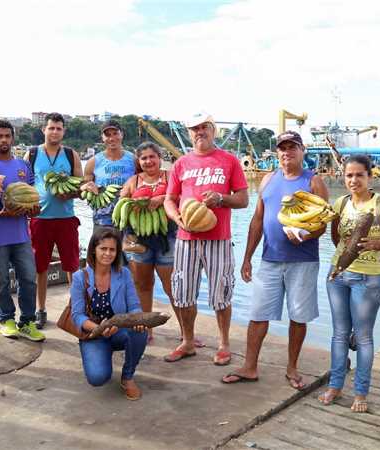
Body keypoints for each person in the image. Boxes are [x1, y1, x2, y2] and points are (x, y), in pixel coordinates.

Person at [222, 130, 328, 388]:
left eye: (292, 147)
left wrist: (304, 235)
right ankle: (250, 366)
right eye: (282, 148)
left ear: (302, 151)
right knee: (258, 313)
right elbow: (257, 220)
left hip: (303, 261)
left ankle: (292, 367)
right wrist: (247, 257)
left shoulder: (313, 182)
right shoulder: (268, 179)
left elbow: (323, 224)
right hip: (269, 260)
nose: (286, 152)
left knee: (298, 316)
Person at [163, 112, 248, 365]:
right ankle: (188, 341)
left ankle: (223, 344)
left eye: (204, 127)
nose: (199, 132)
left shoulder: (229, 161)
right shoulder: (181, 164)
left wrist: (221, 199)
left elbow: (243, 199)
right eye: (194, 128)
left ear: (213, 130)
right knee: (183, 293)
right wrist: (177, 218)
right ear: (189, 133)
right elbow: (169, 199)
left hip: (218, 239)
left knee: (221, 293)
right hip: (186, 239)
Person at [317, 155, 380, 412]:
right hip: (337, 275)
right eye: (349, 175)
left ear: (369, 177)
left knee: (363, 337)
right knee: (339, 334)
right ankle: (335, 385)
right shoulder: (340, 203)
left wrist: (377, 244)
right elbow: (336, 238)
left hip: (369, 277)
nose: (353, 180)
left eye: (359, 175)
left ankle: (361, 392)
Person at [70, 228, 148, 400]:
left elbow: (134, 305)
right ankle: (101, 354)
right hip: (94, 333)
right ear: (93, 250)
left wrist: (138, 318)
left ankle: (127, 377)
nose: (108, 253)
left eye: (112, 249)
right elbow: (77, 316)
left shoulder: (124, 274)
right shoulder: (79, 277)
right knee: (98, 378)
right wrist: (100, 328)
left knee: (140, 331)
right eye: (103, 249)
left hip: (119, 331)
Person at [26, 113, 83, 329]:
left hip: (66, 218)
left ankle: (76, 309)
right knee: (40, 267)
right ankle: (41, 309)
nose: (55, 132)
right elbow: (25, 185)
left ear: (63, 131)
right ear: (44, 130)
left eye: (59, 129)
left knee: (72, 265)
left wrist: (69, 193)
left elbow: (81, 184)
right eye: (51, 128)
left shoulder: (70, 155)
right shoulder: (32, 154)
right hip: (39, 219)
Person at [0, 119, 44, 341]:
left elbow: (30, 198)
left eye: (7, 136)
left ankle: (28, 322)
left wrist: (33, 209)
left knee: (28, 279)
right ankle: (7, 320)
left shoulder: (24, 166)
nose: (3, 140)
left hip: (21, 235)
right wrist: (0, 213)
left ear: (12, 138)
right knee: (0, 281)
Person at [119, 142, 179, 344]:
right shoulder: (132, 181)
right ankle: (146, 329)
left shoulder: (170, 177)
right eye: (143, 158)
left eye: (152, 156)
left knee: (172, 286)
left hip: (167, 237)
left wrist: (163, 198)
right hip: (137, 239)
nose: (148, 161)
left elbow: (181, 197)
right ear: (139, 161)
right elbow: (121, 205)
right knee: (142, 285)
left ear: (160, 157)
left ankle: (185, 332)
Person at [82, 120, 136, 231]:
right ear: (102, 138)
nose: (112, 138)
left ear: (122, 134)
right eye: (107, 135)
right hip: (102, 219)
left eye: (115, 133)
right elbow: (84, 188)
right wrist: (86, 187)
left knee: (127, 248)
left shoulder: (133, 160)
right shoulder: (93, 162)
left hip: (129, 217)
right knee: (102, 247)